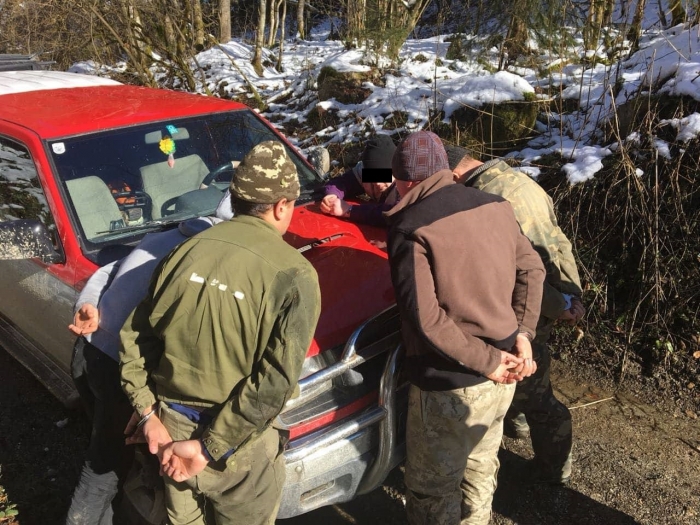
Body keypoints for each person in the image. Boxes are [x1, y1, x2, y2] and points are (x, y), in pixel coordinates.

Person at [119, 141, 321, 525]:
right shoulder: (295, 274)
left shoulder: (184, 252)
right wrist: (209, 447)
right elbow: (274, 383)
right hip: (237, 447)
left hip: (171, 431)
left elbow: (134, 339)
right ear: (281, 206)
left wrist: (148, 415)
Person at [384, 130, 545, 525]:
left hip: (449, 385)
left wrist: (486, 361)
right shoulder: (495, 205)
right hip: (506, 371)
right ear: (444, 167)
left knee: (432, 489)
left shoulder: (410, 228)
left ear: (403, 181)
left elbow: (426, 319)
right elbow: (533, 268)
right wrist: (523, 335)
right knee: (481, 465)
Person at [65, 191, 234, 525]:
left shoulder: (167, 234)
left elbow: (106, 271)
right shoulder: (205, 254)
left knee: (112, 449)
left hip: (89, 354)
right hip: (120, 367)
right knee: (107, 464)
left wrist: (87, 305)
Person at [447, 145, 585, 485]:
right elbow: (555, 242)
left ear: (454, 176)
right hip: (556, 293)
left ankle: (555, 468)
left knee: (534, 390)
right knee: (528, 377)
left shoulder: (488, 200)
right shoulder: (516, 180)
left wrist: (561, 305)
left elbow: (524, 267)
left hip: (537, 303)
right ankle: (519, 422)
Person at [319, 134, 398, 226]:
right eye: (373, 176)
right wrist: (332, 195)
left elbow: (394, 215)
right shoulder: (364, 171)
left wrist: (349, 210)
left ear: (395, 170)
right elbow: (343, 182)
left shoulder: (407, 183)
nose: (378, 184)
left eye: (383, 176)